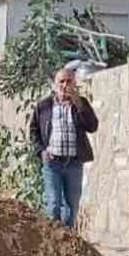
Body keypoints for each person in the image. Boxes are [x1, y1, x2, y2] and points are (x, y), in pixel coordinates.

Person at [28, 64, 98, 228]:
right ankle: (53, 245)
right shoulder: (44, 106)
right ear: (55, 85)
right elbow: (33, 131)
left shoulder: (81, 104)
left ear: (75, 84)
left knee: (71, 207)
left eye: (69, 81)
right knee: (53, 205)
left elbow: (92, 126)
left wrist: (79, 105)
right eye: (62, 82)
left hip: (74, 163)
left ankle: (67, 245)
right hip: (52, 163)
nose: (65, 85)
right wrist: (41, 151)